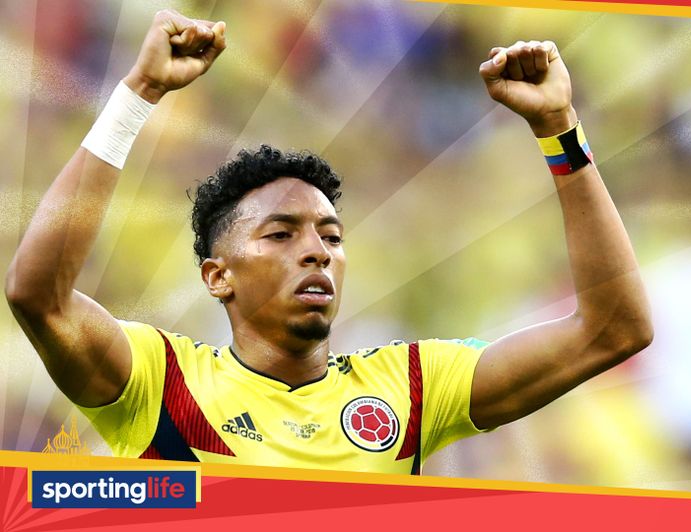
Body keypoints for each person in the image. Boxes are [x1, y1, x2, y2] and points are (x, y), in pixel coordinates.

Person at [5, 10, 653, 474]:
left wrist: (559, 129)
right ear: (217, 276)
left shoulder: (412, 387)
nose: (317, 251)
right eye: (280, 234)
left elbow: (612, 331)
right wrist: (137, 97)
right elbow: (40, 297)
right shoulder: (162, 383)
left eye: (331, 236)